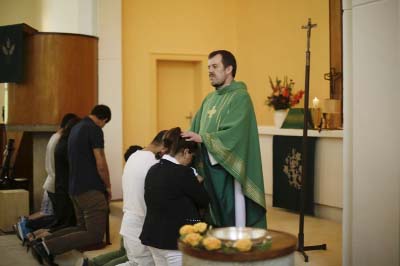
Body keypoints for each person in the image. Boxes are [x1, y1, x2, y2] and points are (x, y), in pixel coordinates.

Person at [182, 50, 267, 229]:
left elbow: (236, 134)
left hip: (228, 171)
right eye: (208, 67)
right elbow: (195, 128)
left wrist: (203, 138)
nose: (210, 71)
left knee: (232, 216)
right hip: (207, 169)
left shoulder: (240, 97)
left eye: (215, 66)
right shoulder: (209, 99)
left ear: (229, 69)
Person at [31, 105, 112, 265]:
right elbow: (100, 162)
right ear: (104, 119)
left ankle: (42, 243)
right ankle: (47, 247)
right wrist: (108, 186)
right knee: (95, 234)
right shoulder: (94, 129)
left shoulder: (75, 128)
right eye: (105, 124)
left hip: (74, 187)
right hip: (90, 188)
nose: (103, 126)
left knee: (81, 228)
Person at [140, 127, 209, 266]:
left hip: (153, 236)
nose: (190, 160)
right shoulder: (183, 173)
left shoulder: (153, 169)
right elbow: (203, 200)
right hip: (173, 241)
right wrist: (198, 182)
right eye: (192, 155)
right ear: (185, 152)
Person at [15, 113, 78, 241]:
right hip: (57, 183)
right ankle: (30, 228)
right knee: (60, 221)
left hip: (52, 181)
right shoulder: (61, 140)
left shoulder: (54, 137)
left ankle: (32, 232)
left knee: (56, 218)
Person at [86, 144, 144, 266]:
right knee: (127, 257)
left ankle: (92, 263)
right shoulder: (142, 174)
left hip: (127, 222)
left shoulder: (128, 173)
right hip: (135, 225)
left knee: (121, 253)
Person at [114, 132, 166, 266]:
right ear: (163, 148)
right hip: (140, 226)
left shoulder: (134, 156)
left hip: (129, 224)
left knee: (133, 263)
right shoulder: (155, 162)